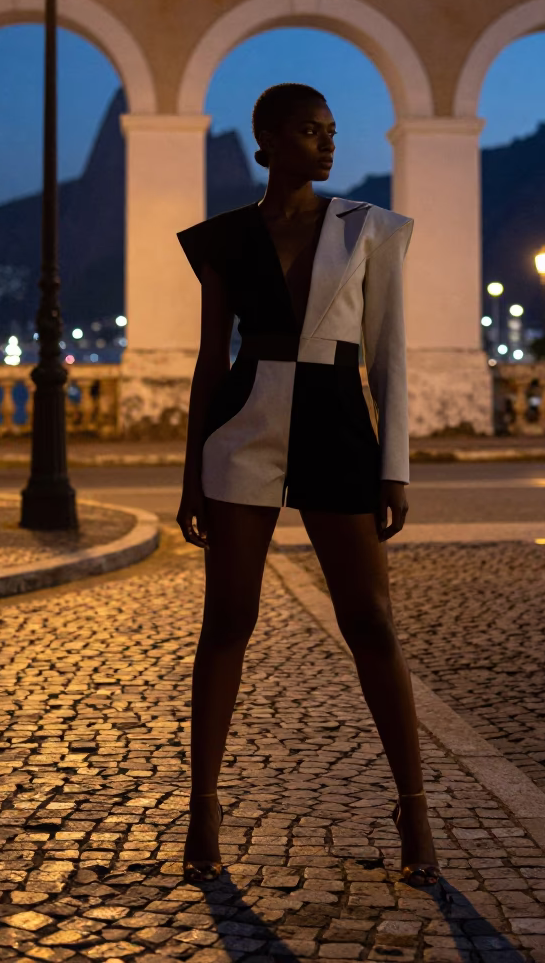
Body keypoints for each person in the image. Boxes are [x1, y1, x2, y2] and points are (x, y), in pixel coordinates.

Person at [176, 82, 447, 897]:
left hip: (337, 425)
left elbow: (389, 355)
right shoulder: (225, 238)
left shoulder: (369, 229)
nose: (327, 144)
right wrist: (190, 472)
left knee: (370, 619)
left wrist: (393, 466)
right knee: (228, 618)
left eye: (332, 131)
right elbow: (211, 361)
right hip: (241, 426)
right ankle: (203, 806)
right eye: (308, 131)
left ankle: (414, 808)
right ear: (266, 142)